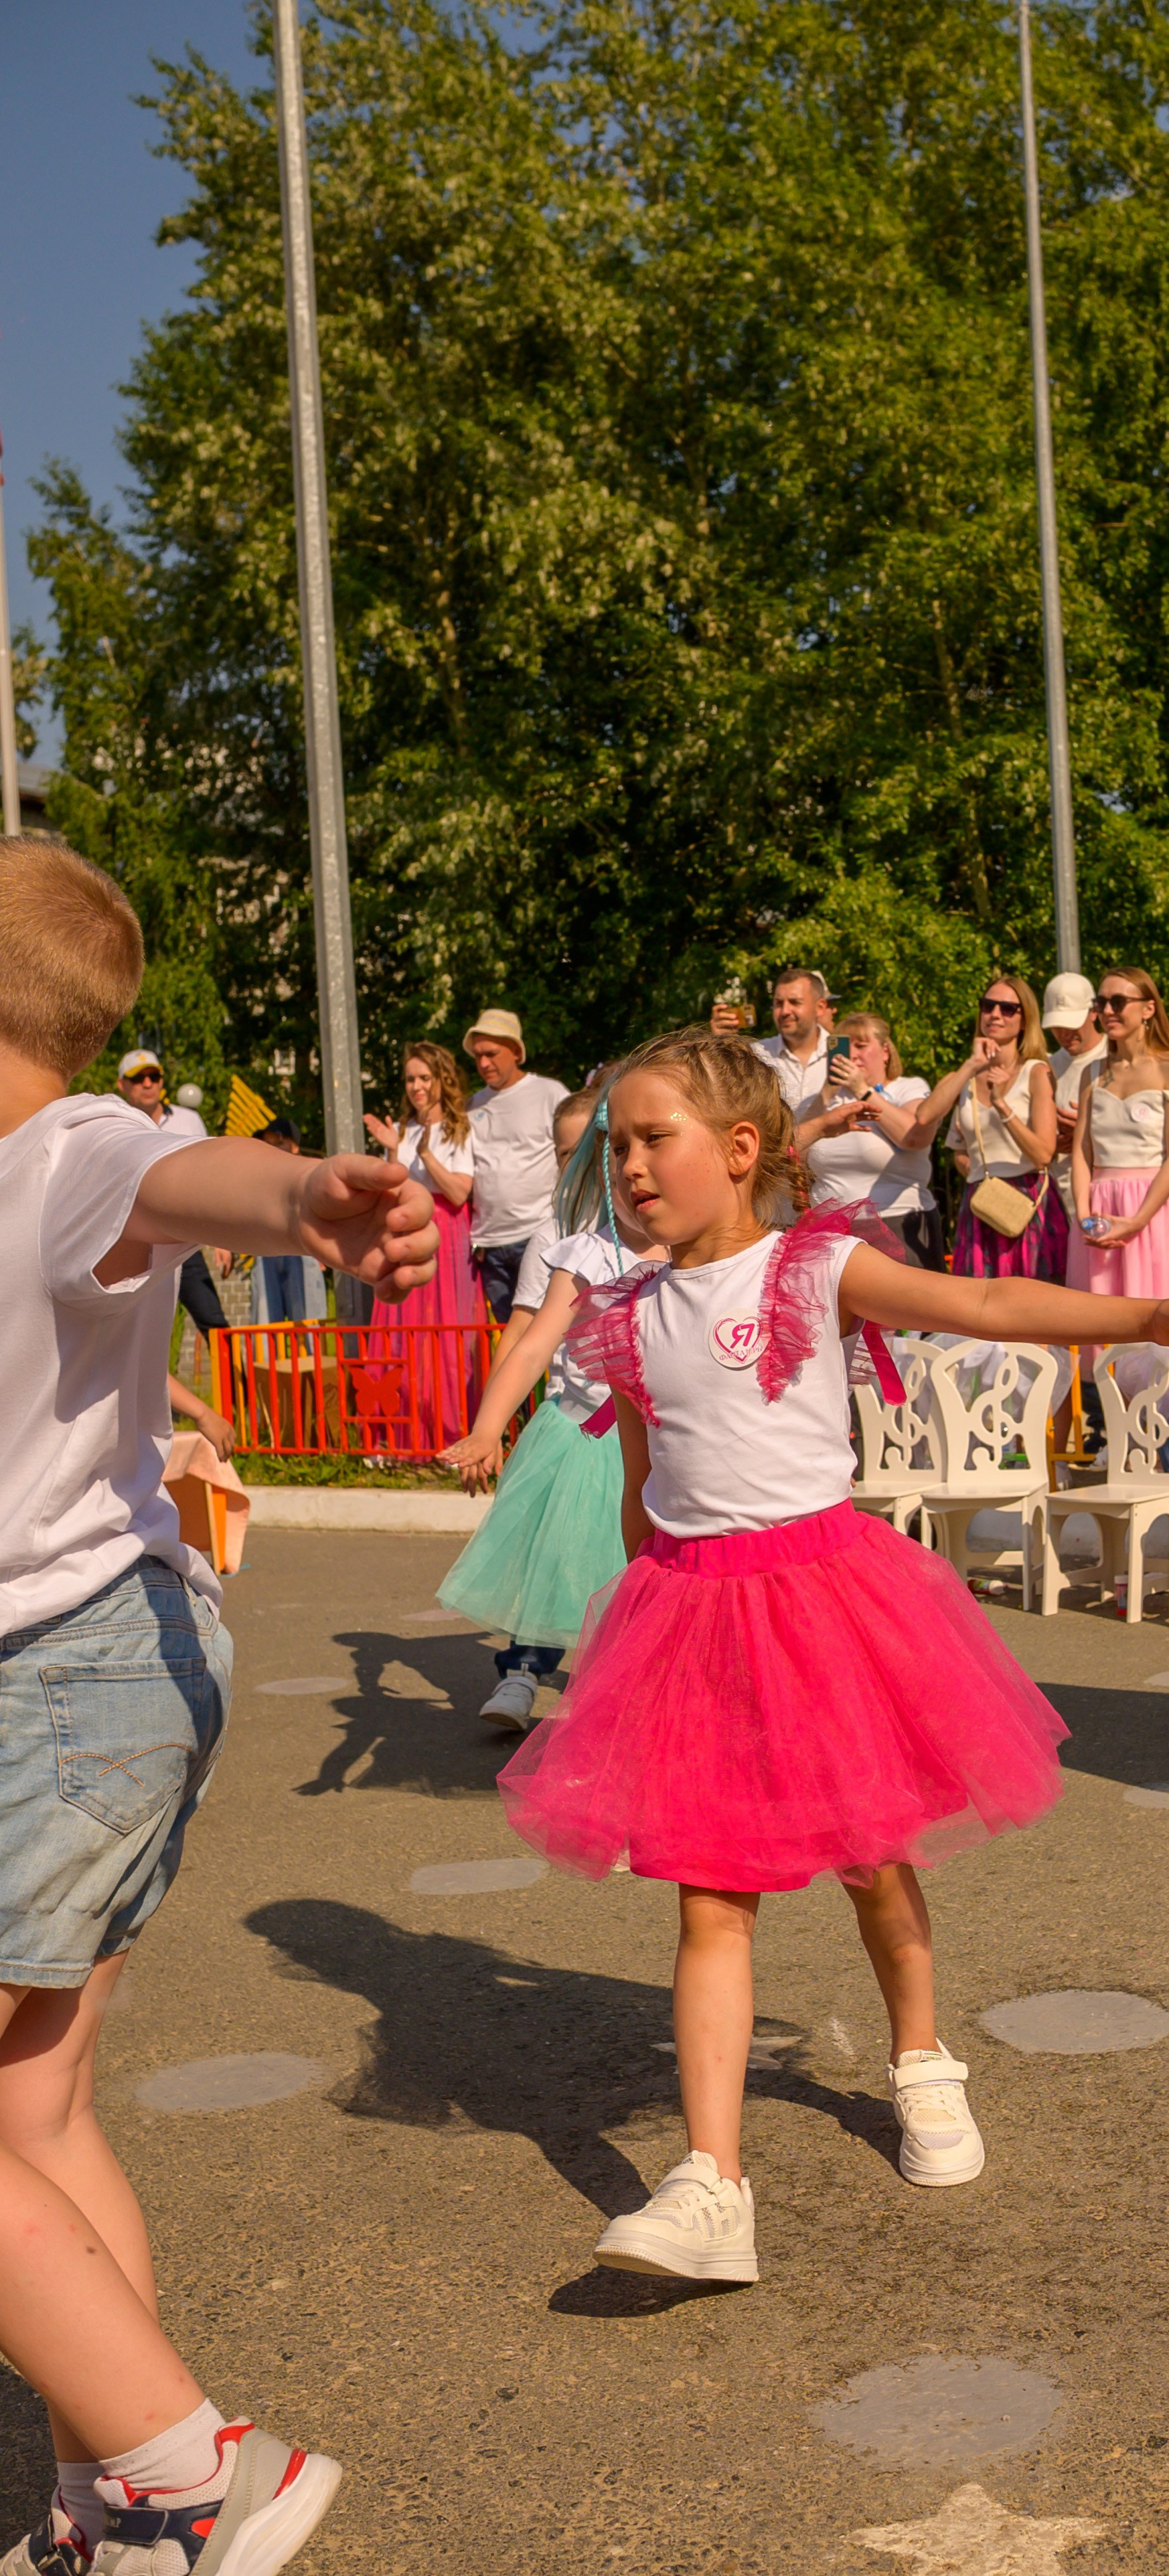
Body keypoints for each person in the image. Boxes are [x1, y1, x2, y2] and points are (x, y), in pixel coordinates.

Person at [494, 1026, 1169, 2284]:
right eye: (616, 1146)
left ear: (741, 1150)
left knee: (874, 1857)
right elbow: (646, 1496)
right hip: (690, 1619)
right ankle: (713, 2185)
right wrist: (639, 1636)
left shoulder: (809, 1270)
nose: (629, 1166)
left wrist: (1153, 1314)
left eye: (655, 1140)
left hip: (821, 1606)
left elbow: (982, 1300)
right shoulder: (628, 1320)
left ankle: (923, 2058)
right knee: (709, 1896)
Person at [0, 834, 436, 2576]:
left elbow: (188, 1178)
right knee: (33, 2112)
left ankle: (193, 2468)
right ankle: (111, 2494)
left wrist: (304, 1198)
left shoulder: (71, 1145)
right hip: (102, 1658)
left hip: (66, 1675)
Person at [437, 1093, 663, 1734]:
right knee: (563, 1569)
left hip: (669, 1448)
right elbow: (532, 1343)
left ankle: (644, 1709)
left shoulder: (693, 1252)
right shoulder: (580, 1251)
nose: (633, 1171)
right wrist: (487, 1428)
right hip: (586, 1439)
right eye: (615, 1154)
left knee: (651, 1585)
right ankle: (528, 1674)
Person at [362, 1043, 482, 1453]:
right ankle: (399, 1433)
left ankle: (446, 1432)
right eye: (411, 1078)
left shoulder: (457, 1127)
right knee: (401, 1330)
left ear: (441, 1081)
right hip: (407, 1229)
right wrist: (394, 1151)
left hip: (446, 1233)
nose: (416, 1086)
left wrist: (427, 1154)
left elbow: (459, 1191)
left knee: (444, 1332)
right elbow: (391, 1188)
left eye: (424, 1078)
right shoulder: (403, 1130)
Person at [904, 976, 1063, 1280]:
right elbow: (925, 1117)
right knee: (979, 1309)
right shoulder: (966, 1076)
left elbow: (1043, 1154)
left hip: (1029, 1199)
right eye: (988, 1006)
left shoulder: (1036, 1071)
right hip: (982, 1201)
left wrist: (1002, 1105)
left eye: (1007, 1008)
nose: (995, 1015)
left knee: (1035, 1304)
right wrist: (971, 1065)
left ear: (1024, 1018)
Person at [1067, 970, 1169, 1299]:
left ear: (1148, 1009)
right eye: (1101, 1003)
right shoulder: (1092, 1071)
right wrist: (1085, 1215)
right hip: (1101, 1207)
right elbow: (1081, 1152)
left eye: (1119, 1001)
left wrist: (1137, 1220)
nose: (1108, 1011)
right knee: (1100, 1320)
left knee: (1157, 1314)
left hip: (1155, 1206)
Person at [793, 1013, 945, 1268]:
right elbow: (791, 1153)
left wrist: (862, 1091)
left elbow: (913, 1137)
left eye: (861, 1046)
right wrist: (826, 1095)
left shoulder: (907, 1088)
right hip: (831, 1233)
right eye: (844, 1046)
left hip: (898, 1223)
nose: (852, 1055)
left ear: (885, 1052)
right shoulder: (819, 1102)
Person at [114, 1051, 232, 1361]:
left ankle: (238, 1405)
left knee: (216, 1326)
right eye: (139, 1078)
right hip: (135, 1248)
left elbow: (212, 1175)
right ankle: (163, 1410)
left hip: (183, 1244)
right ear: (122, 1085)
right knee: (142, 1338)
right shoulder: (113, 1125)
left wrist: (220, 1237)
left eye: (154, 1076)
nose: (148, 1084)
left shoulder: (188, 1119)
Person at [464, 1010, 570, 1324]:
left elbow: (575, 1156)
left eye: (491, 1054)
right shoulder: (472, 1106)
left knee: (547, 1333)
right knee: (507, 1336)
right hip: (489, 1244)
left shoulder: (550, 1093)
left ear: (515, 1051)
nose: (483, 1063)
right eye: (478, 1056)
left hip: (539, 1234)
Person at [712, 964, 834, 1120]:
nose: (785, 1011)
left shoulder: (848, 1053)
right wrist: (720, 1046)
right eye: (778, 1003)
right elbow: (725, 1103)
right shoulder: (755, 1055)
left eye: (795, 1002)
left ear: (820, 1007)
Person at [1040, 972, 1105, 1220]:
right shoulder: (1044, 1067)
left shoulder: (1115, 1061)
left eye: (1071, 1025)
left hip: (1104, 1199)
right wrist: (1050, 1146)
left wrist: (1086, 1130)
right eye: (1057, 1026)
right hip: (1054, 1205)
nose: (1064, 1033)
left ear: (1093, 1013)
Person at [247, 1120, 325, 1324]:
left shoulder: (311, 1171)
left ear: (295, 1146)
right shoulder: (257, 1178)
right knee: (265, 1327)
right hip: (266, 1254)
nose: (273, 1148)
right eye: (268, 1143)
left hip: (302, 1252)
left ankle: (310, 1355)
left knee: (307, 1323)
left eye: (278, 1141)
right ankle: (264, 1358)